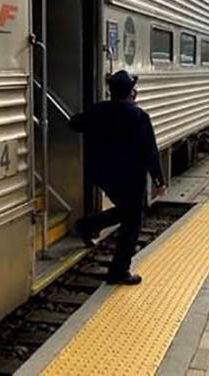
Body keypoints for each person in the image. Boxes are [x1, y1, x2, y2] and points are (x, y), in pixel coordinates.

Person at [69, 70, 167, 286]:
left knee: (127, 212)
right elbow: (150, 152)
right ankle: (118, 271)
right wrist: (159, 182)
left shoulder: (98, 110)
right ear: (131, 93)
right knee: (132, 222)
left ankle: (86, 225)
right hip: (131, 178)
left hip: (103, 175)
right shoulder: (139, 117)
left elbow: (74, 123)